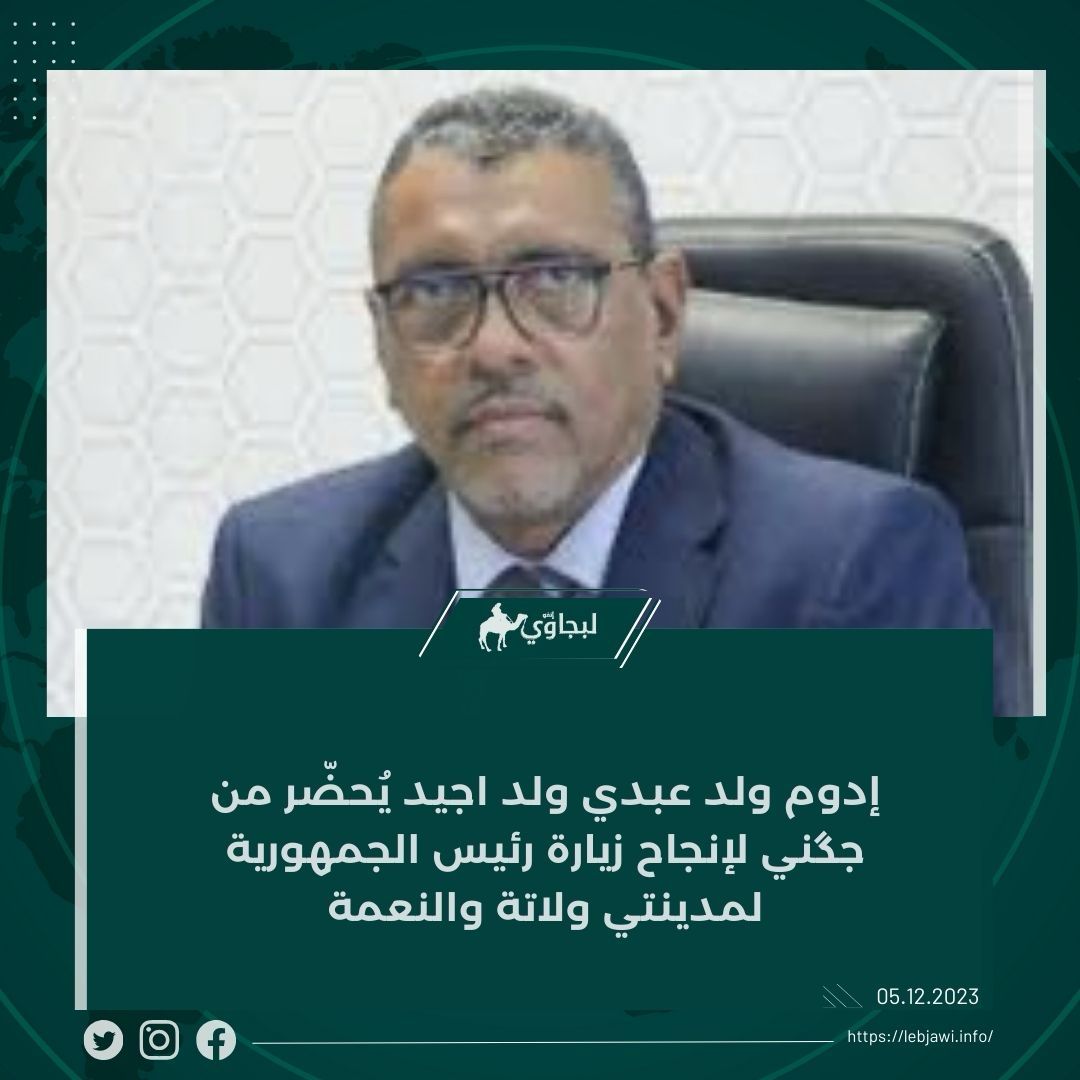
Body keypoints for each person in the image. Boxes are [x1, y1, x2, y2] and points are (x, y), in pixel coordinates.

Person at [201, 85, 1005, 709]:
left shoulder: (851, 571)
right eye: (436, 290)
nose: (494, 347)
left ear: (663, 314)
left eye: (554, 278)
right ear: (382, 340)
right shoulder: (281, 579)